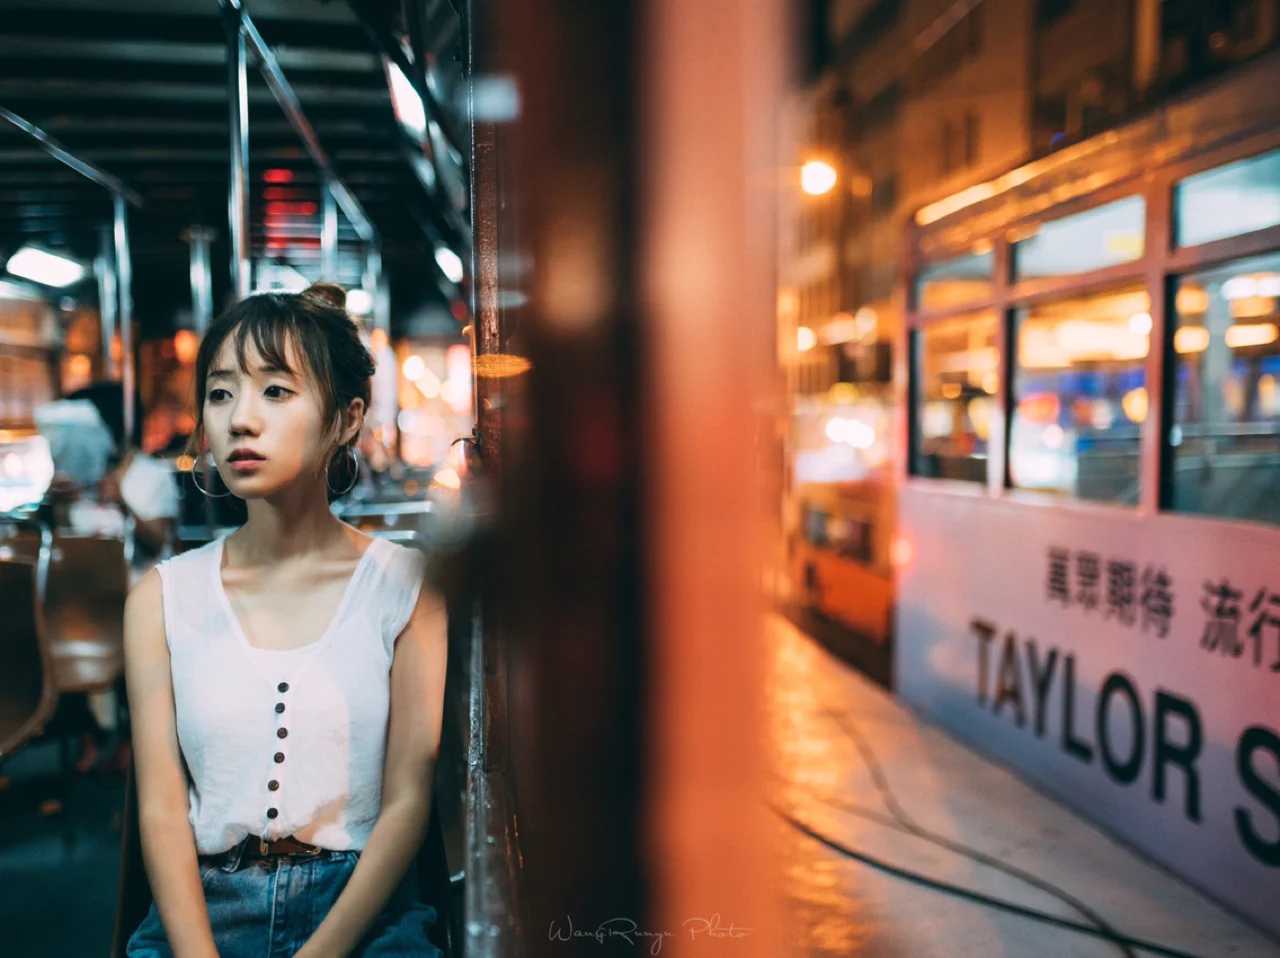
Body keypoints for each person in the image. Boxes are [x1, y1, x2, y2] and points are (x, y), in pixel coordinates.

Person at [123, 283, 448, 957]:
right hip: (204, 910)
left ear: (345, 418)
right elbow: (160, 808)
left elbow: (406, 802)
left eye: (276, 391)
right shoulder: (162, 597)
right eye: (220, 393)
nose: (241, 419)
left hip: (363, 913)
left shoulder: (406, 586)